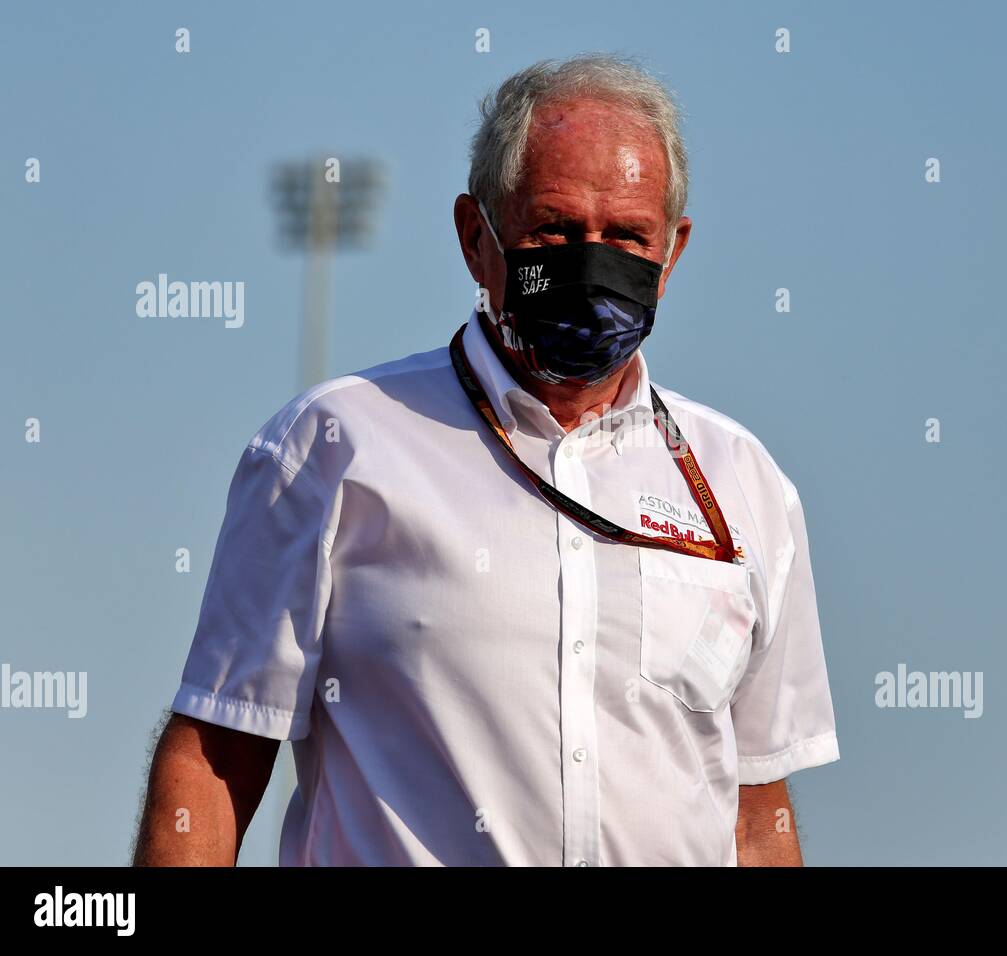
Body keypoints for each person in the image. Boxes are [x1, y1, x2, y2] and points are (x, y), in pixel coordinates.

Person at [133, 53, 838, 867]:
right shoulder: (336, 446)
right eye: (556, 231)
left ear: (671, 254)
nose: (591, 260)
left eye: (626, 237)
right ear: (477, 238)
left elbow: (755, 815)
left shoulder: (742, 483)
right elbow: (218, 755)